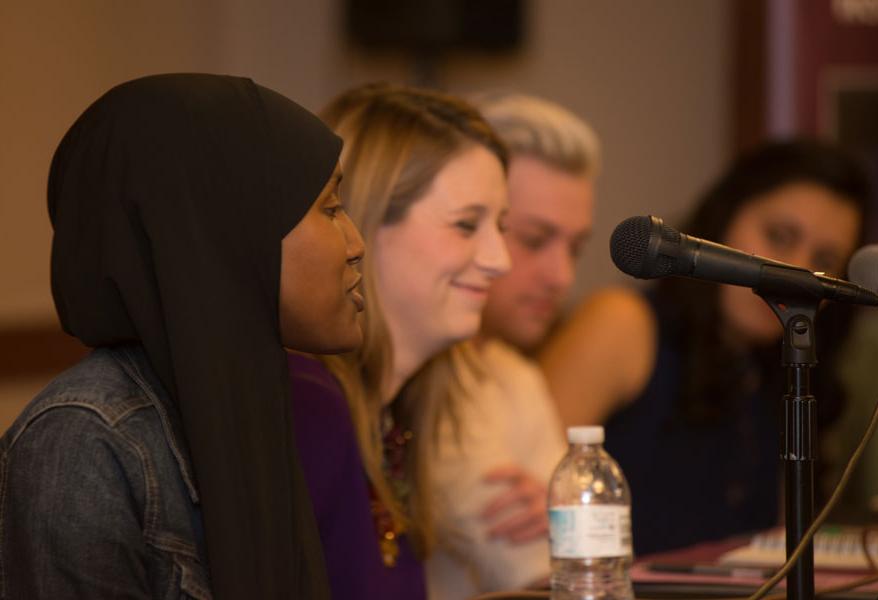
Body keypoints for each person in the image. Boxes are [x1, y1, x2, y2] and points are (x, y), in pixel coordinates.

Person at [0, 73, 366, 599]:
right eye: (331, 209)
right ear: (225, 229)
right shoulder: (84, 441)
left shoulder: (253, 396)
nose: (355, 243)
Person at [539, 138, 869, 555]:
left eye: (823, 258)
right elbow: (527, 498)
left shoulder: (783, 364)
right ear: (724, 220)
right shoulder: (623, 323)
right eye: (780, 237)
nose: (797, 271)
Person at [288, 83, 510, 599]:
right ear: (363, 223)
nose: (501, 259)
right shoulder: (306, 405)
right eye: (466, 225)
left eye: (501, 226)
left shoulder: (394, 421)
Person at [426, 93, 600, 599]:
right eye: (533, 238)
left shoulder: (514, 374)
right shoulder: (426, 371)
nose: (561, 276)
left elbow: (580, 561)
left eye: (574, 247)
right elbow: (540, 568)